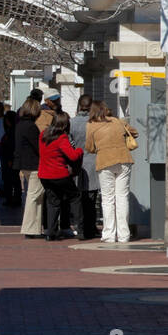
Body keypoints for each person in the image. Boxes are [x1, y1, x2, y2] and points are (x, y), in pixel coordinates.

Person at [85, 100, 138, 243]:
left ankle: (109, 234)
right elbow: (134, 132)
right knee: (122, 197)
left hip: (105, 161)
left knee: (108, 199)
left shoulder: (91, 125)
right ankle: (124, 235)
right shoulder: (117, 121)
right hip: (124, 159)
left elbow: (89, 147)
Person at [38, 112, 85, 241]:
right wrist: (80, 150)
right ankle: (80, 229)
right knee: (75, 197)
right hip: (59, 174)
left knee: (53, 202)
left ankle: (50, 232)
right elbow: (73, 156)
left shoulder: (43, 134)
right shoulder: (62, 138)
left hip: (44, 174)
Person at [67, 94, 98, 240]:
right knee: (91, 199)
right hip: (93, 162)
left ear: (79, 106)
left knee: (78, 198)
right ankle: (91, 228)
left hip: (77, 163)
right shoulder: (95, 123)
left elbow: (69, 143)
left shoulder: (72, 122)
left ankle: (81, 228)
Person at [15, 98, 43, 238]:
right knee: (33, 196)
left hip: (24, 164)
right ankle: (29, 228)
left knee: (35, 197)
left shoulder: (20, 125)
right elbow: (38, 147)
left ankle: (35, 228)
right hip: (34, 165)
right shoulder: (31, 127)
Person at [0, 107, 21, 206]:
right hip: (10, 158)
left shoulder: (12, 132)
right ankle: (13, 198)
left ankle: (13, 199)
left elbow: (11, 147)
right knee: (14, 179)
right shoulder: (12, 131)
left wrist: (9, 159)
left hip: (10, 159)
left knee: (11, 180)